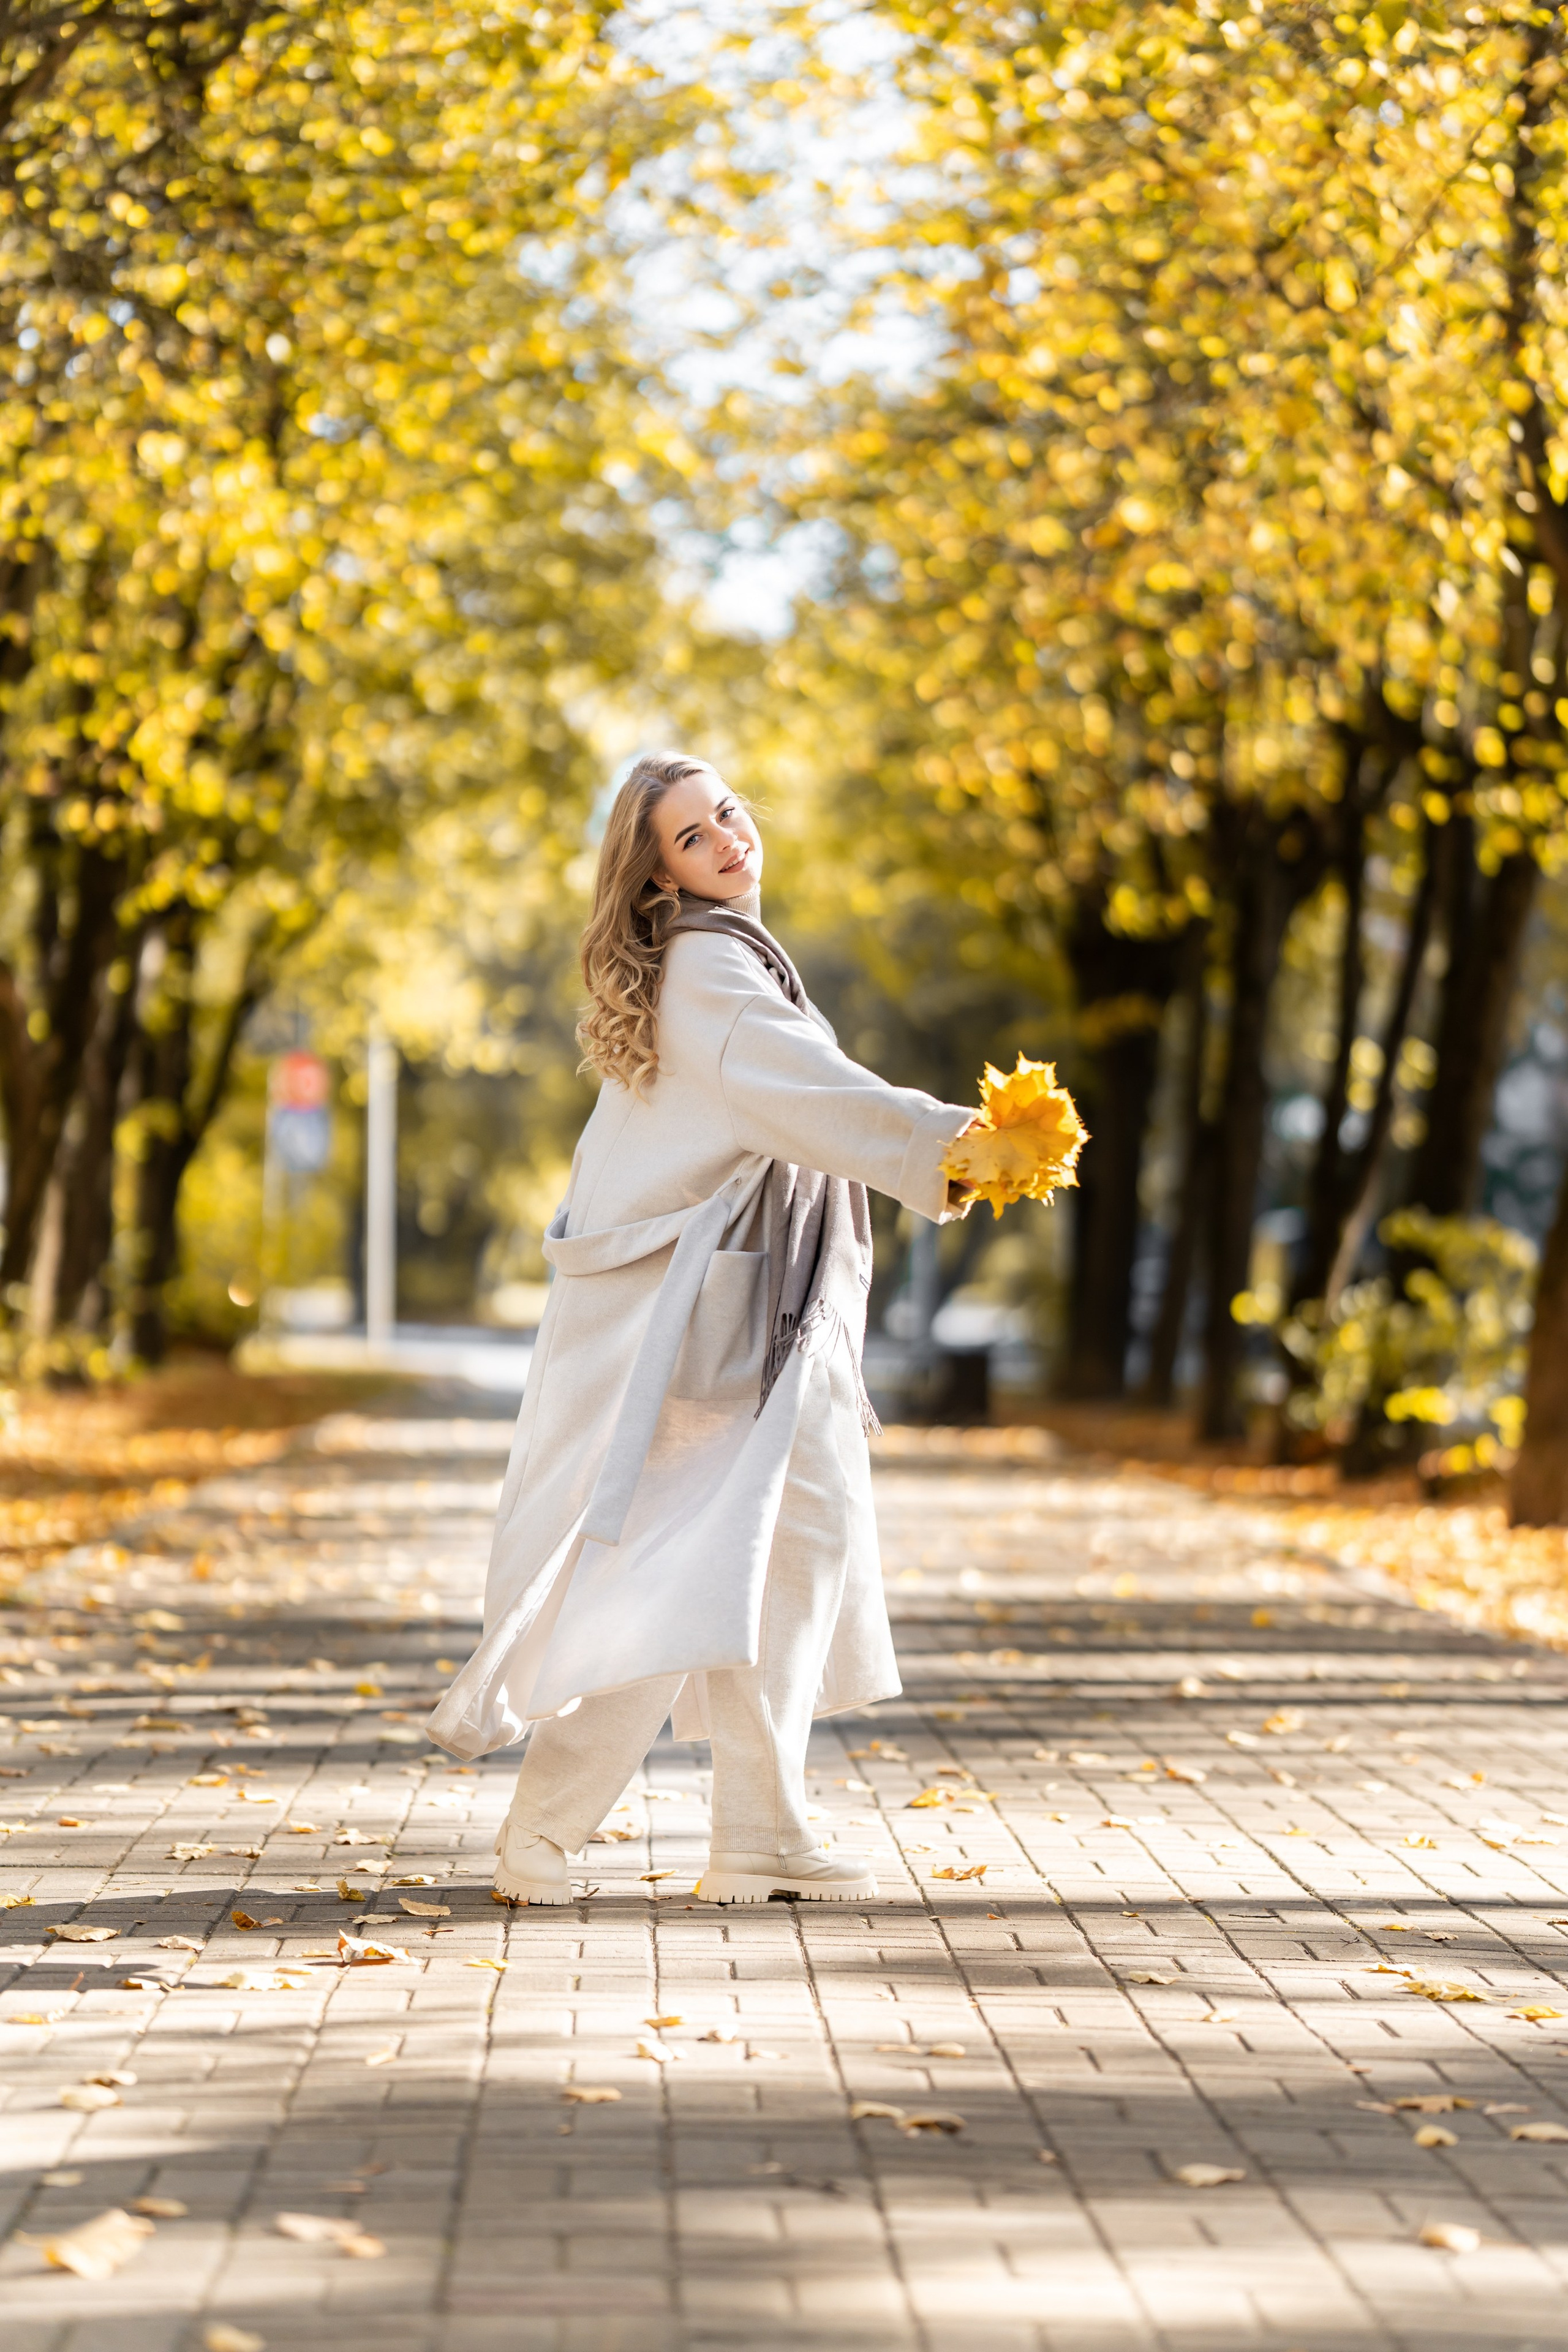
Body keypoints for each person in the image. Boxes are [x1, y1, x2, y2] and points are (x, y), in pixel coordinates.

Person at [428, 750, 977, 1904]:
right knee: (691, 1570)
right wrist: (956, 1143)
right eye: (692, 836)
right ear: (657, 883)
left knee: (790, 1556)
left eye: (726, 814)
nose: (727, 838)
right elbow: (815, 1099)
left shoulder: (729, 965)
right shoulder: (714, 969)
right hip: (726, 1330)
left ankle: (760, 1832)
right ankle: (545, 1828)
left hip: (765, 1315)